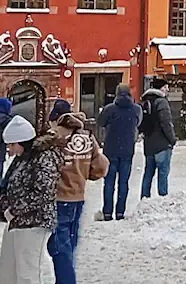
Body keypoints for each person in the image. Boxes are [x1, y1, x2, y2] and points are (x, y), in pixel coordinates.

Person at [0, 115, 63, 284]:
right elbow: (10, 184)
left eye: (12, 145)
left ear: (22, 142)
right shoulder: (22, 158)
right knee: (6, 271)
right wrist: (2, 203)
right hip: (17, 221)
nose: (9, 149)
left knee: (27, 272)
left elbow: (43, 193)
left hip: (34, 222)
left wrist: (14, 209)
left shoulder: (44, 158)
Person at [48, 112, 108, 284]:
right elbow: (101, 167)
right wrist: (83, 172)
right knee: (69, 245)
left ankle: (66, 281)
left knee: (59, 247)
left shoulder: (55, 139)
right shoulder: (88, 138)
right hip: (78, 198)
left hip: (59, 198)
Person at [97, 83, 141, 221]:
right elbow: (138, 123)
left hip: (110, 149)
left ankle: (107, 212)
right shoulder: (136, 109)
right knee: (123, 182)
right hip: (127, 149)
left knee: (109, 182)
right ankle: (120, 212)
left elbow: (100, 122)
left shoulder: (109, 109)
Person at [140, 79, 177, 198]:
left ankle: (144, 198)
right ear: (160, 88)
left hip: (149, 144)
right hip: (162, 144)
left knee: (148, 174)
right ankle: (162, 199)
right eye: (165, 87)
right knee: (163, 174)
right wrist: (172, 139)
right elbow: (166, 123)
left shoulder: (146, 101)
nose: (167, 90)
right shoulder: (162, 102)